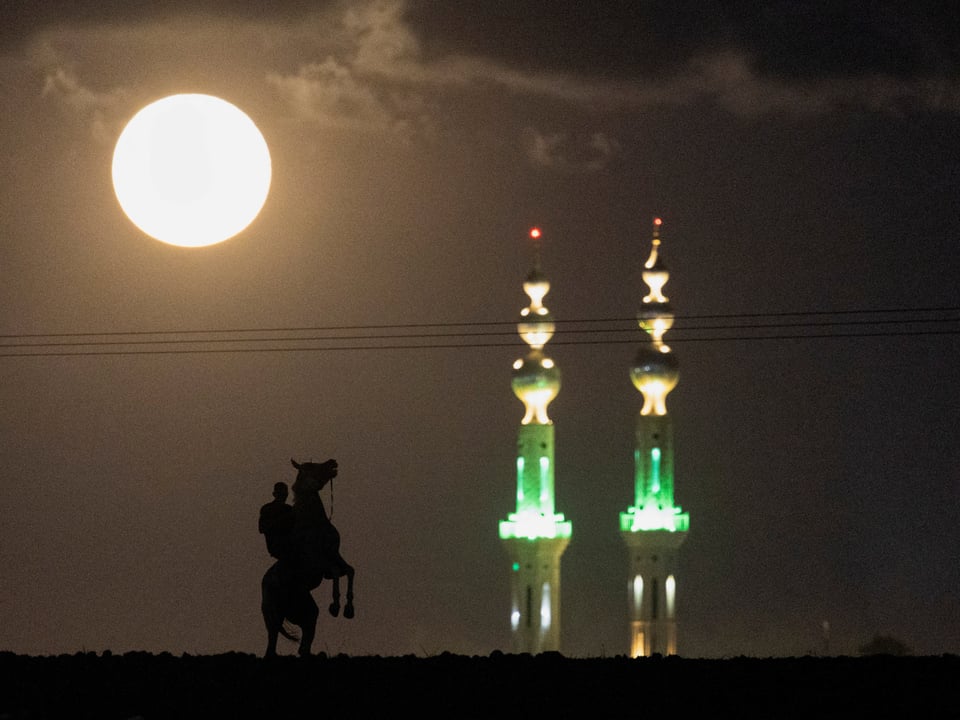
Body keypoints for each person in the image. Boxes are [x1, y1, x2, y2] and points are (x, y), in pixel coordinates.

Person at [259, 481, 294, 562]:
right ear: (274, 494)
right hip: (278, 546)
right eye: (281, 494)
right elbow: (262, 528)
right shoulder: (267, 509)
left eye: (284, 494)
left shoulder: (289, 509)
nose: (283, 496)